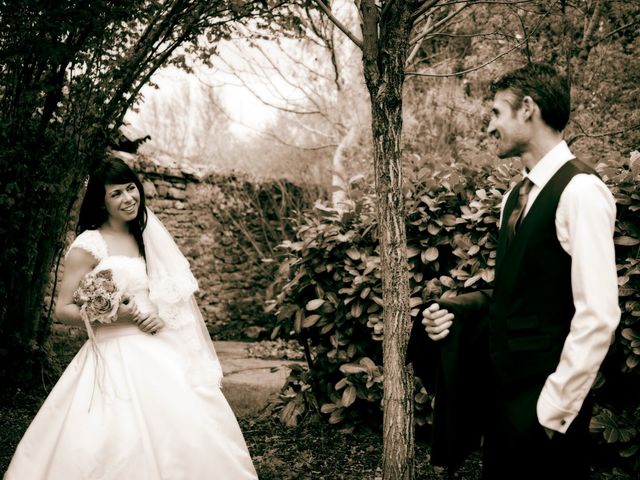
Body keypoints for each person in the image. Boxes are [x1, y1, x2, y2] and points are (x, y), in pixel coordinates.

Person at [422, 63, 620, 479]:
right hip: (503, 406)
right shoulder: (514, 195)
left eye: (497, 112)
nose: (490, 126)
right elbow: (521, 291)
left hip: (545, 414)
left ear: (527, 108)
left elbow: (598, 315)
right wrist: (457, 311)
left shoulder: (581, 191)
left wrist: (552, 411)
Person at [4, 157, 258, 479]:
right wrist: (109, 314)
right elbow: (62, 309)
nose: (128, 199)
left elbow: (167, 296)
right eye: (116, 194)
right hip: (111, 355)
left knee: (184, 426)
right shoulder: (88, 245)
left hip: (159, 349)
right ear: (102, 201)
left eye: (130, 188)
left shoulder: (144, 235)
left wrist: (160, 317)